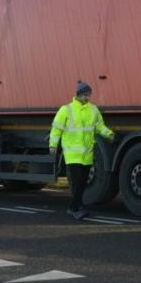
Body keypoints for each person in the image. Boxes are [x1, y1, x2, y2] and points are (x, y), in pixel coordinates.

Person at [49, 80, 114, 220]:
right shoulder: (66, 109)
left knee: (84, 182)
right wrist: (53, 145)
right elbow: (56, 128)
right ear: (77, 95)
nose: (87, 97)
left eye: (88, 94)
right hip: (72, 154)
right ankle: (75, 208)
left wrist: (108, 134)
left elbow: (99, 126)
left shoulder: (93, 110)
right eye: (84, 94)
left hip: (87, 154)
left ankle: (77, 205)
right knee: (77, 181)